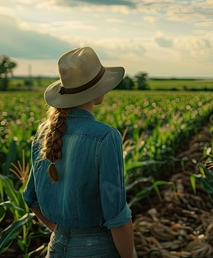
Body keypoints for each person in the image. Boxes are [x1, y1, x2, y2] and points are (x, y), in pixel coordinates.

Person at [23, 47, 135, 258]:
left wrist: (64, 234)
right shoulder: (106, 137)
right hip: (98, 249)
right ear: (98, 89)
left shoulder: (44, 132)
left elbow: (31, 199)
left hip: (55, 247)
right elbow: (117, 218)